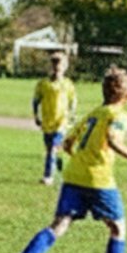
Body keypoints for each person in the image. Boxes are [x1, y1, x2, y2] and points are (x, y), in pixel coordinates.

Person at [2, 66, 127, 253]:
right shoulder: (119, 115)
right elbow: (113, 140)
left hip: (73, 176)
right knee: (118, 228)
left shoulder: (94, 113)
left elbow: (68, 143)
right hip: (99, 179)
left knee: (59, 225)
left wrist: (82, 159)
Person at [32, 51, 78, 185]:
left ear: (65, 67)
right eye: (54, 65)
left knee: (53, 148)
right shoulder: (43, 84)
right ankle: (60, 172)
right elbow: (36, 101)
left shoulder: (67, 84)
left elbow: (73, 101)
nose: (57, 68)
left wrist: (72, 115)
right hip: (47, 122)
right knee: (51, 150)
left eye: (60, 65)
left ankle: (48, 176)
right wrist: (36, 116)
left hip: (61, 122)